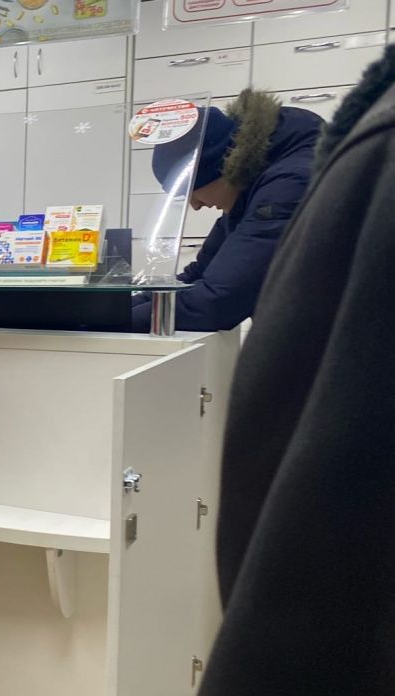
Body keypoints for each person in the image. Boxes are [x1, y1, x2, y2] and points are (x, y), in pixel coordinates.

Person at [198, 48, 395, 695]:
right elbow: (194, 283)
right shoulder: (264, 170)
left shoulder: (297, 176)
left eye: (199, 197)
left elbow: (213, 300)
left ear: (219, 174)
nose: (198, 210)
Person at [134, 89, 323, 332]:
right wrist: (113, 309)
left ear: (221, 168)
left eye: (192, 190)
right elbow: (197, 277)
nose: (195, 205)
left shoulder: (289, 185)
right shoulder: (252, 184)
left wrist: (114, 322)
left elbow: (216, 303)